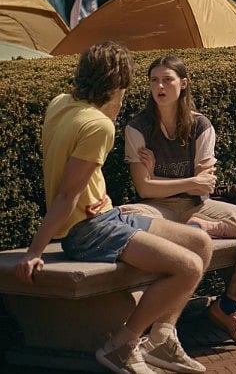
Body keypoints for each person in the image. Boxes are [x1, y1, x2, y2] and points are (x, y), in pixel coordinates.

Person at [15, 41, 213, 374]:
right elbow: (67, 195)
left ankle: (162, 339)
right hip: (87, 230)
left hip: (107, 214)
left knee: (201, 243)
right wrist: (35, 251)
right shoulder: (98, 126)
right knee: (189, 267)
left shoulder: (60, 103)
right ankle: (122, 344)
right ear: (117, 83)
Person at [124, 54, 236, 346]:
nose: (160, 86)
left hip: (198, 206)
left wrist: (158, 175)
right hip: (157, 208)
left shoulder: (200, 126)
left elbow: (201, 188)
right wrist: (183, 181)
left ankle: (228, 307)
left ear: (183, 84)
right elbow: (144, 190)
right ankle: (153, 320)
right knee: (131, 219)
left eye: (167, 80)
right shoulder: (137, 128)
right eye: (154, 80)